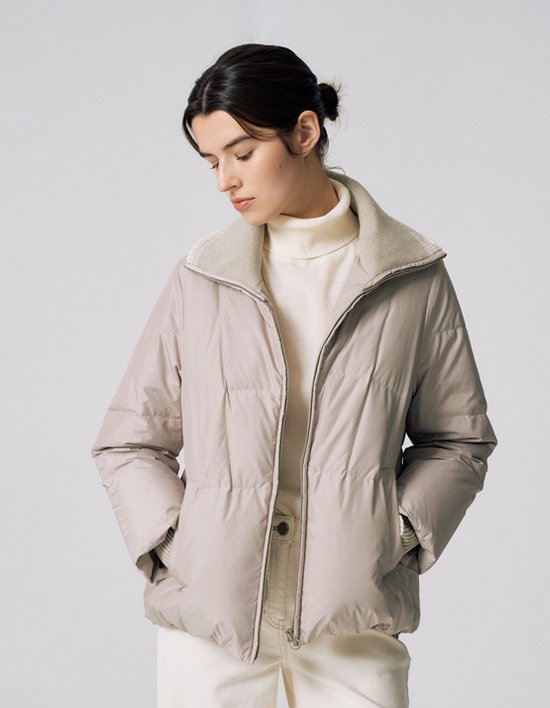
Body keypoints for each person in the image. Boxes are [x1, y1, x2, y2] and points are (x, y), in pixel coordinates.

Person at [91, 43, 498, 708]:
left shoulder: (411, 278)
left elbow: (459, 440)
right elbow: (128, 441)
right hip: (213, 631)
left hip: (351, 626)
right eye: (212, 161)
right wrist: (178, 545)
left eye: (242, 153)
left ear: (305, 132)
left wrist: (390, 538)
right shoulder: (201, 280)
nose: (225, 181)